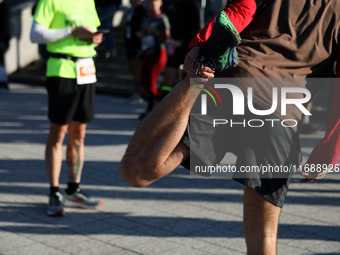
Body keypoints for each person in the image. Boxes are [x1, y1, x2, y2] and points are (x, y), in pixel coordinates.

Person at [120, 0, 340, 254]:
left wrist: (200, 46)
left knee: (137, 170)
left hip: (232, 83)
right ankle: (205, 66)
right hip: (281, 109)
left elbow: (240, 10)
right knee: (263, 240)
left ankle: (203, 69)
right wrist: (329, 150)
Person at [30, 0, 104, 216]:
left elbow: (93, 32)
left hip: (87, 69)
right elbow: (35, 35)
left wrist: (96, 38)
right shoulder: (50, 1)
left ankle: (73, 189)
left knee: (79, 132)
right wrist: (72, 31)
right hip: (61, 70)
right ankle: (54, 192)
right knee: (59, 132)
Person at [159, 0, 200, 101]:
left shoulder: (192, 4)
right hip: (174, 47)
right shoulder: (170, 4)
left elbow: (195, 28)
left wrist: (181, 41)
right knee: (168, 76)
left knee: (188, 79)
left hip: (188, 47)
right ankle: (163, 103)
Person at [137, 0, 170, 119]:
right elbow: (143, 33)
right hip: (147, 52)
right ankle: (158, 103)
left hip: (158, 52)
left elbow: (166, 38)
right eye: (150, 2)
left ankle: (152, 108)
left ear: (161, 3)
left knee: (152, 81)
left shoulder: (162, 18)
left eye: (155, 2)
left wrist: (155, 31)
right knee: (144, 80)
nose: (153, 4)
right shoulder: (146, 17)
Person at [124, 0, 146, 104]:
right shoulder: (131, 11)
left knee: (137, 70)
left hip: (136, 45)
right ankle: (135, 92)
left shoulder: (142, 11)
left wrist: (140, 46)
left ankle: (138, 94)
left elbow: (141, 29)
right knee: (132, 68)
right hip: (130, 44)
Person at [0, 0, 10, 94]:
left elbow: (5, 26)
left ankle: (4, 83)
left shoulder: (4, 6)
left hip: (2, 39)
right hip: (2, 38)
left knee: (2, 62)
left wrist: (3, 40)